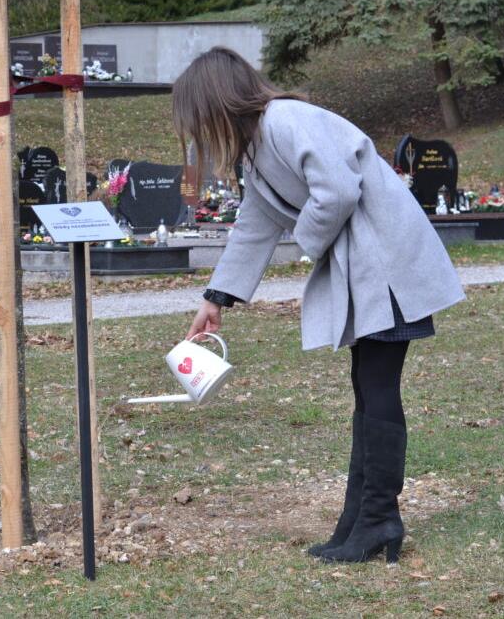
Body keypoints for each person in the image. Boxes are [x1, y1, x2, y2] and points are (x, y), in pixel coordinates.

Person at [177, 48, 465, 564]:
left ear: (217, 101)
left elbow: (336, 191)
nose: (199, 129)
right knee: (367, 388)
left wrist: (310, 245)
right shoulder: (257, 147)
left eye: (198, 116)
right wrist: (217, 297)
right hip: (369, 266)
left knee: (377, 388)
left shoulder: (286, 120)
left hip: (387, 263)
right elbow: (256, 221)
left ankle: (379, 519)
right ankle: (360, 519)